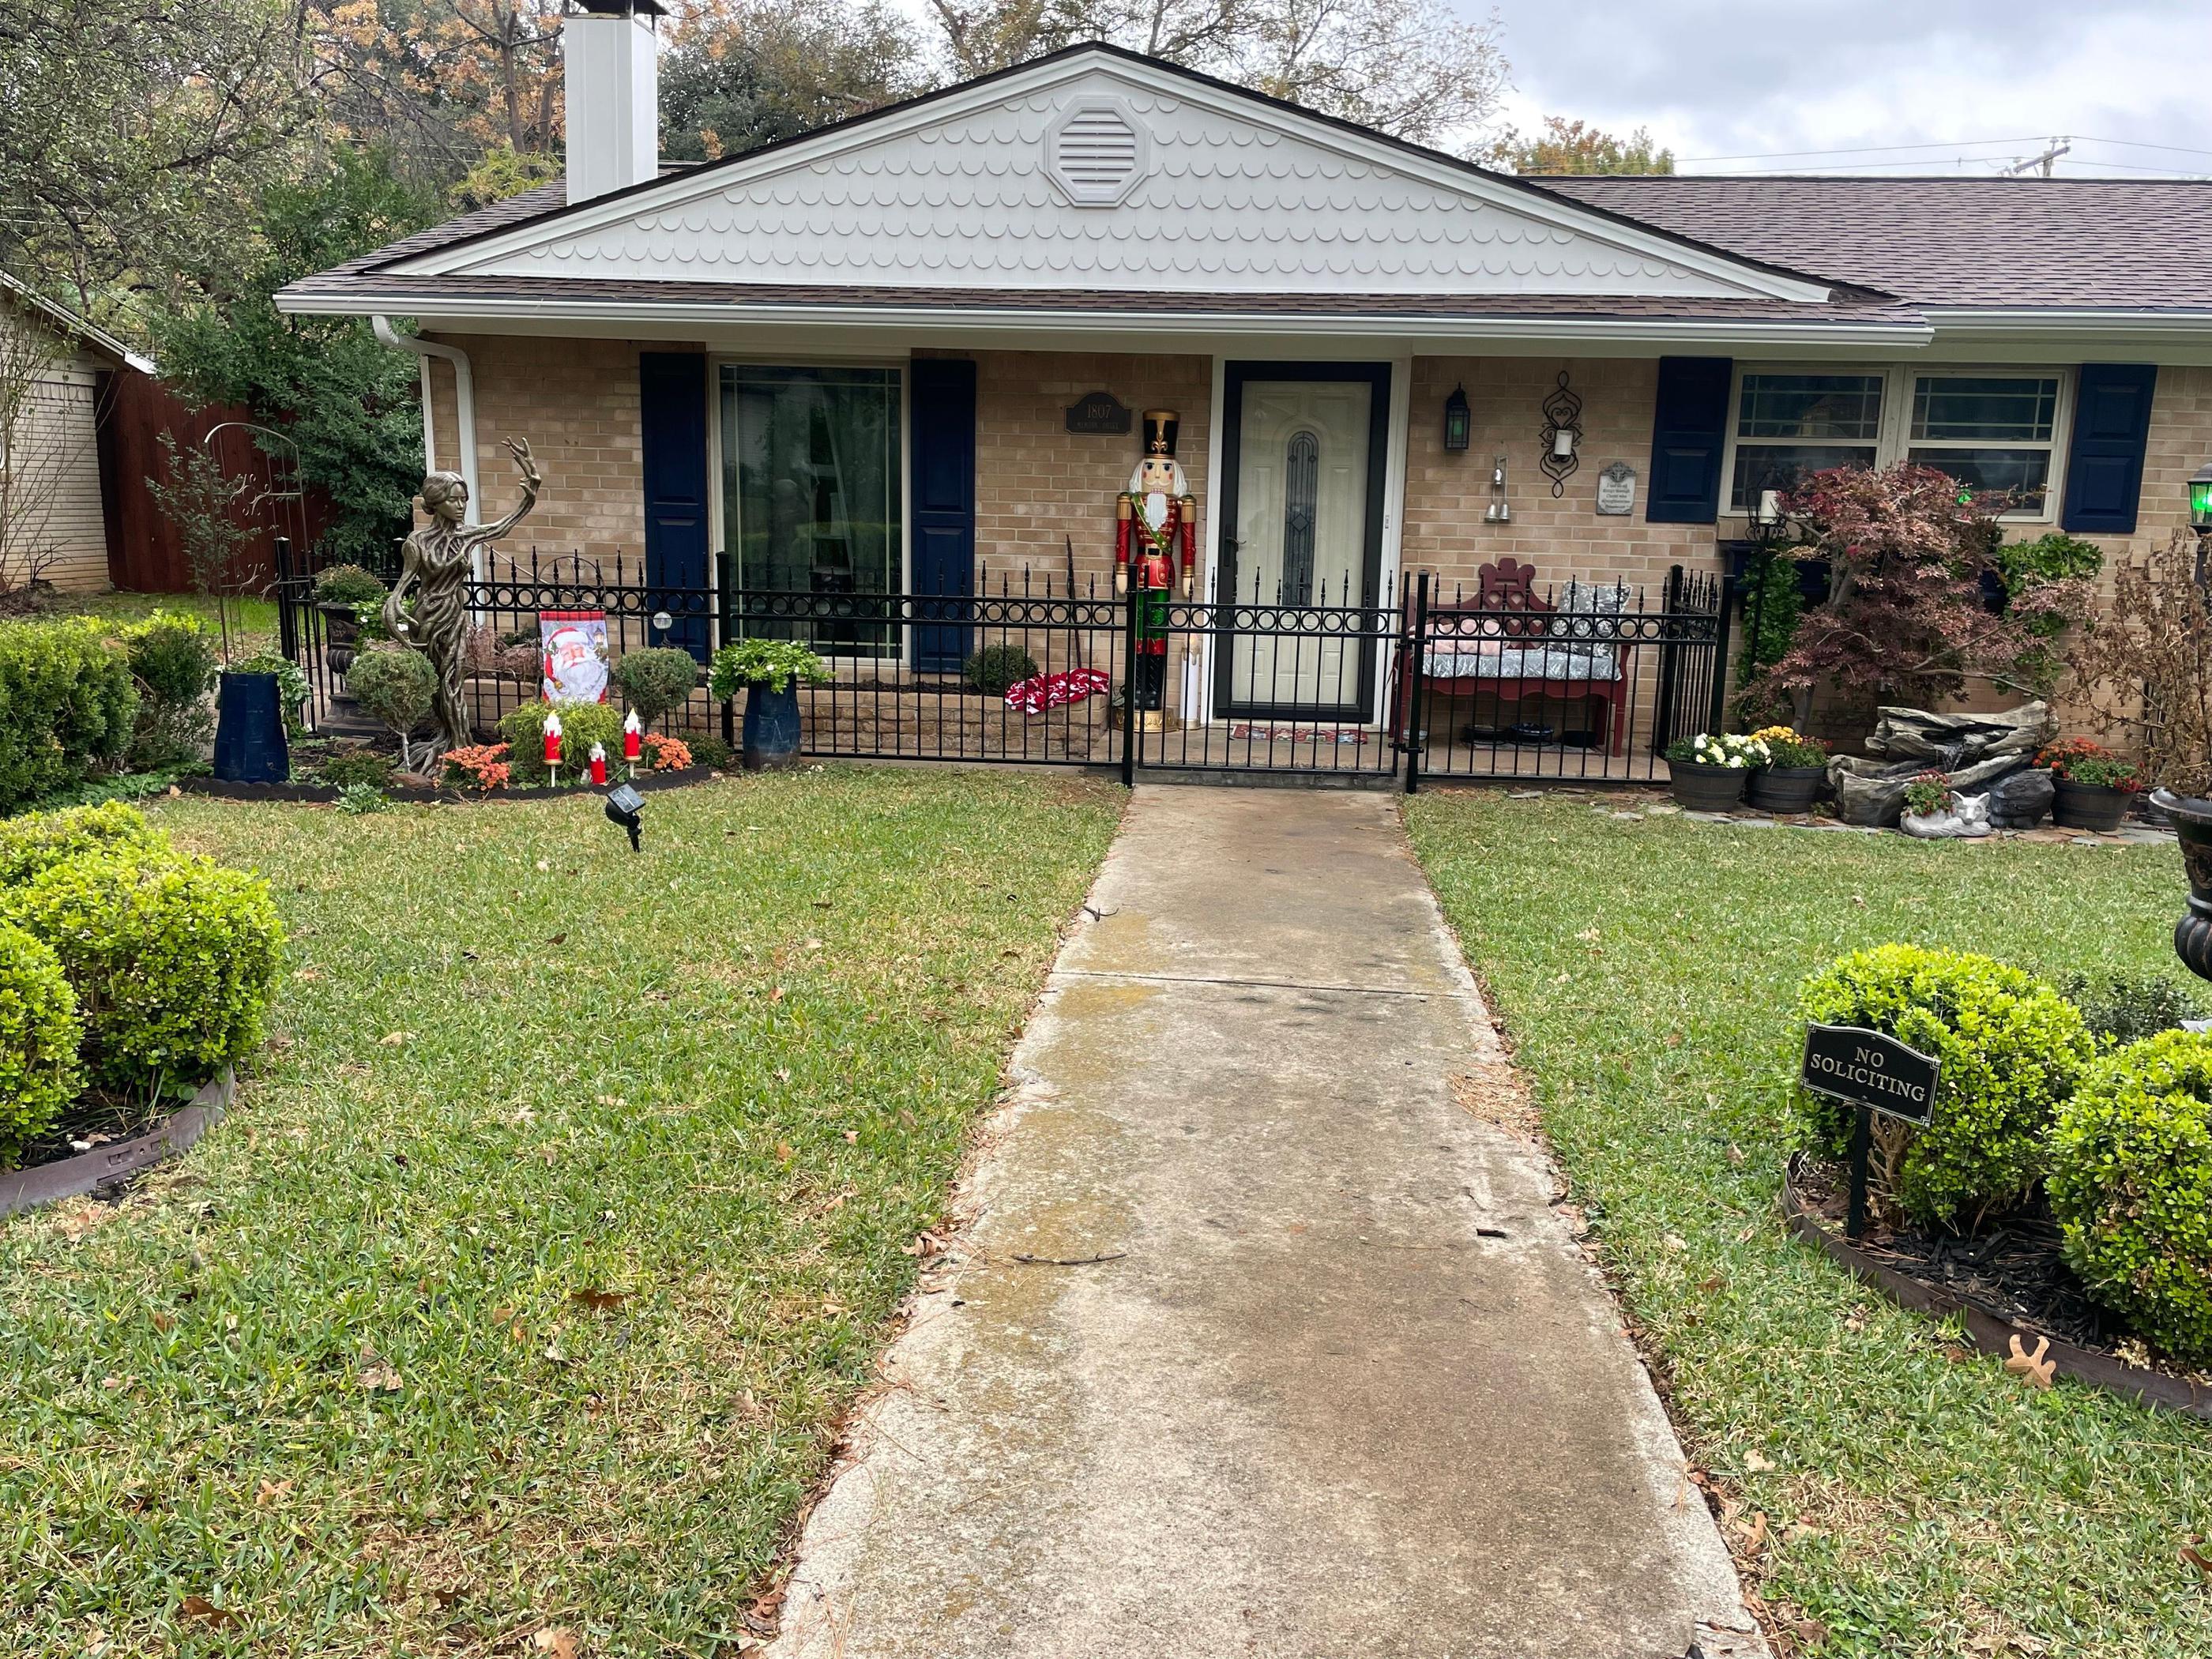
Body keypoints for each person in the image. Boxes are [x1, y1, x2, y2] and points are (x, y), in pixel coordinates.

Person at [386, 437, 541, 757]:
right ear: (436, 501)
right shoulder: (417, 542)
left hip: (454, 616)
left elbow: (504, 525)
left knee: (453, 678)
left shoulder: (467, 535)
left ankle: (459, 745)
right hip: (427, 617)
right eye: (454, 499)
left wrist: (531, 491)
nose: (461, 506)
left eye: (464, 499)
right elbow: (399, 592)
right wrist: (395, 616)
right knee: (437, 682)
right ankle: (447, 740)